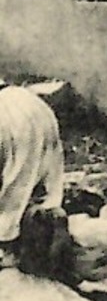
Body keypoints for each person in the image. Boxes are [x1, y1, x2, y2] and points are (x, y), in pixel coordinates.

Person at [0, 80, 66, 276]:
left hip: (6, 118)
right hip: (33, 110)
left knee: (13, 181)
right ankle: (46, 212)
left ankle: (7, 245)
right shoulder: (33, 100)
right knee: (34, 172)